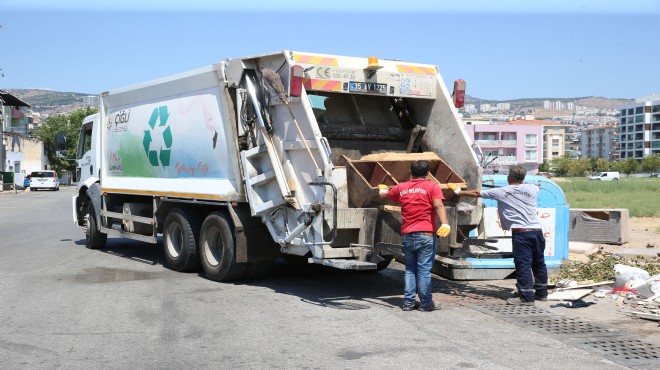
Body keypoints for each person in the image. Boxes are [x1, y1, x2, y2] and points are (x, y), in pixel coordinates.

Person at [449, 165, 547, 305]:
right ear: (523, 178)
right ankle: (542, 293)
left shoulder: (501, 191)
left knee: (523, 264)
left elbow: (477, 193)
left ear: (509, 177)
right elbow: (532, 187)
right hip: (537, 231)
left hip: (521, 234)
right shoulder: (532, 188)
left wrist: (459, 192)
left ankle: (526, 298)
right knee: (539, 262)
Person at [379, 160, 450, 312]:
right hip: (426, 235)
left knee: (410, 269)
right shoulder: (432, 186)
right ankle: (425, 303)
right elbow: (438, 205)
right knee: (424, 270)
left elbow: (385, 196)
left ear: (410, 172)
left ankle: (408, 303)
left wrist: (382, 190)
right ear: (428, 173)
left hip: (408, 235)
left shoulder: (402, 187)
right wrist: (445, 223)